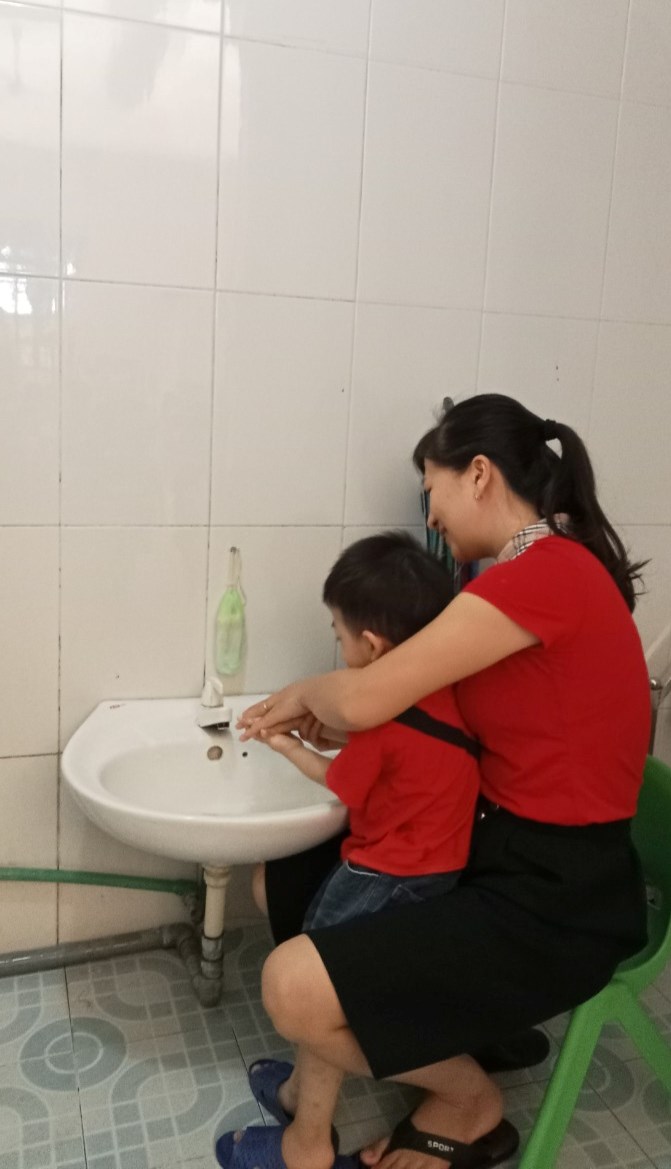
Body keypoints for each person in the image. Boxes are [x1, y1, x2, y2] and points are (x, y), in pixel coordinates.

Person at [216, 394, 650, 1169]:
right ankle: (422, 1035)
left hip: (556, 896)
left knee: (292, 985)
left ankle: (467, 1098)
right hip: (491, 847)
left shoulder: (544, 573)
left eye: (432, 487)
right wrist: (338, 717)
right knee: (277, 882)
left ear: (477, 474)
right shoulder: (526, 575)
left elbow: (367, 696)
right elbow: (438, 716)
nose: (430, 513)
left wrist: (307, 695)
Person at [260, 531, 480, 931]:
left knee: (319, 941)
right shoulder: (442, 689)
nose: (340, 648)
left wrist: (287, 746)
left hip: (389, 868)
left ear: (372, 646)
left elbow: (339, 782)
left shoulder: (379, 713)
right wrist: (334, 737)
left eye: (339, 637)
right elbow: (409, 758)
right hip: (443, 864)